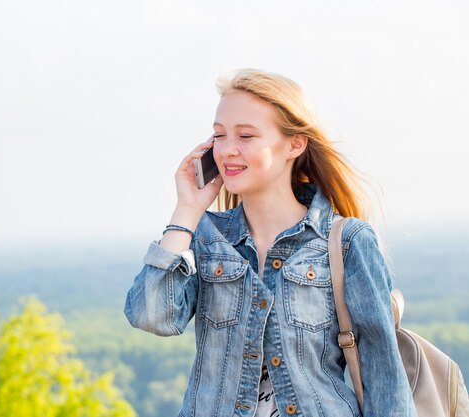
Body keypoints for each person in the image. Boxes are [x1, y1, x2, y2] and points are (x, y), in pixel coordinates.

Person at [124, 69, 416, 417]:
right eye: (219, 135)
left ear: (295, 144)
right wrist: (186, 211)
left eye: (246, 135)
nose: (228, 150)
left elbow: (384, 377)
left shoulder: (346, 242)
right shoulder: (205, 238)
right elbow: (153, 316)